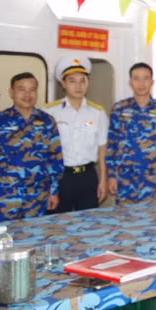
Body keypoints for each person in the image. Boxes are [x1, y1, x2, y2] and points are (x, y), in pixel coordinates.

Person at [0, 72, 62, 221]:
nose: (27, 94)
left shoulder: (47, 120)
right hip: (7, 195)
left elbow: (55, 158)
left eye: (32, 89)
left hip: (38, 195)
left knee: (35, 237)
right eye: (21, 89)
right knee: (5, 237)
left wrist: (54, 191)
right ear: (11, 92)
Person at [106, 62, 156, 204]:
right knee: (124, 222)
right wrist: (111, 175)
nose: (141, 83)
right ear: (130, 82)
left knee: (153, 221)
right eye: (136, 78)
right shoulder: (119, 109)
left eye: (146, 78)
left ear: (152, 82)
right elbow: (111, 145)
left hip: (152, 179)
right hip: (125, 179)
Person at [44, 56, 108, 212]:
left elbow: (102, 149)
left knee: (89, 225)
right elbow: (44, 152)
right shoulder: (49, 112)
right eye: (72, 81)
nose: (78, 86)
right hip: (60, 178)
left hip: (88, 177)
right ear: (63, 84)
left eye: (83, 80)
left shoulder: (98, 113)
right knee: (58, 224)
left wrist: (103, 180)